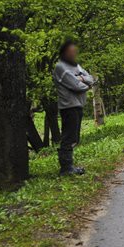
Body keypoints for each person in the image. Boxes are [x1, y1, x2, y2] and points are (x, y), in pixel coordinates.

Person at [53, 40, 95, 176]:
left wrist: (82, 79)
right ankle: (65, 168)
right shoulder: (61, 67)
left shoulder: (76, 66)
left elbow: (91, 78)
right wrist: (85, 83)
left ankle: (69, 166)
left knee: (75, 137)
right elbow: (77, 86)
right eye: (71, 51)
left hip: (78, 105)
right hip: (68, 106)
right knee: (69, 137)